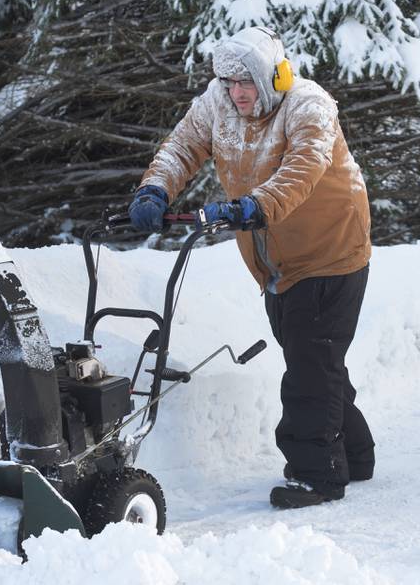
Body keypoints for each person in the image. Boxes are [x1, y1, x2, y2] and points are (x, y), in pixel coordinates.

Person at [128, 26, 375, 509]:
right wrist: (154, 189)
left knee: (309, 366)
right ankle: (356, 454)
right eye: (228, 82)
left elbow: (302, 170)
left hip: (330, 254)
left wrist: (251, 207)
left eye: (246, 82)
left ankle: (317, 475)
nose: (236, 93)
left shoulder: (309, 106)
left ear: (272, 75)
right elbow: (183, 147)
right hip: (275, 263)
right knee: (316, 361)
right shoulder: (217, 103)